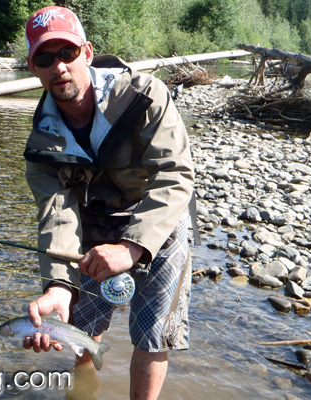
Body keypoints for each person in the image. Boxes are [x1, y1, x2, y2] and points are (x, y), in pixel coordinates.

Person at [21, 6, 195, 400]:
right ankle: (86, 387)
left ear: (87, 52)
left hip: (158, 222)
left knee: (152, 338)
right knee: (82, 330)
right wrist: (59, 285)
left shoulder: (143, 95)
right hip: (94, 224)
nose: (59, 66)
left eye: (67, 52)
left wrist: (133, 246)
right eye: (45, 58)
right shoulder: (41, 143)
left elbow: (175, 175)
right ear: (33, 68)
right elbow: (57, 213)